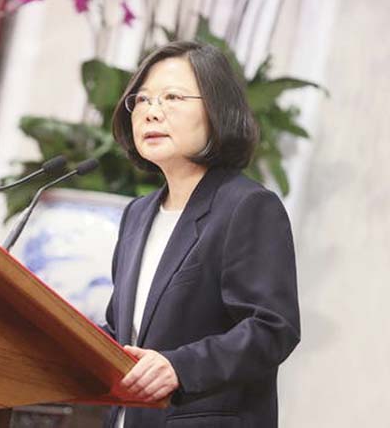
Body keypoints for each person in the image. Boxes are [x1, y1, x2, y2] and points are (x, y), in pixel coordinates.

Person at [101, 41, 300, 428]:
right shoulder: (137, 215)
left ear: (216, 111)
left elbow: (272, 328)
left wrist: (180, 367)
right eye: (141, 100)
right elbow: (121, 331)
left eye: (171, 97)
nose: (151, 112)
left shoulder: (247, 206)